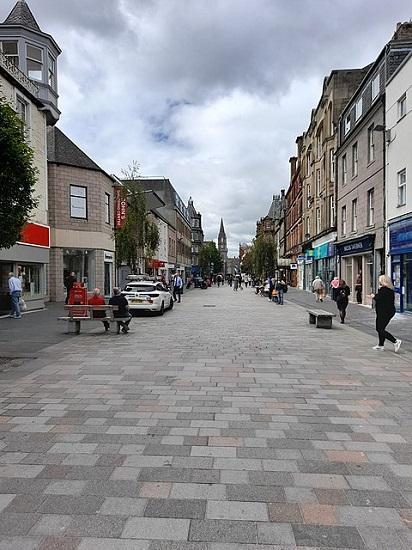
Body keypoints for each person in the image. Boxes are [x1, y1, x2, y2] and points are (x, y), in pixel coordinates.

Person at [371, 275, 401, 352]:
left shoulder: (384, 290)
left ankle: (395, 341)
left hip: (384, 312)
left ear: (383, 281)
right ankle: (381, 345)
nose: (379, 281)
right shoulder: (390, 290)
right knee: (381, 328)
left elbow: (379, 298)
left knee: (379, 329)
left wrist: (373, 296)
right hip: (388, 311)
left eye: (380, 280)